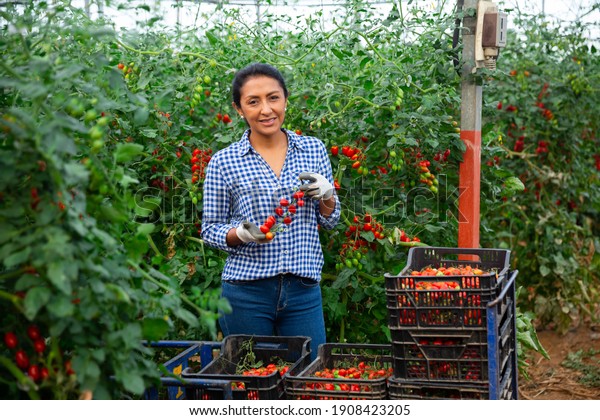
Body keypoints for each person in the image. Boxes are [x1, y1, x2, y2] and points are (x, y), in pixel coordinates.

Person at [201, 63, 340, 359]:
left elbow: (330, 220)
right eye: (253, 101)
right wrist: (240, 234)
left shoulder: (313, 150)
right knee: (251, 379)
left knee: (309, 375)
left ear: (286, 100)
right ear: (239, 109)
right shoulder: (223, 162)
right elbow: (210, 228)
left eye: (273, 98)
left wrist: (327, 194)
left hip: (302, 291)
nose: (266, 109)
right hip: (246, 292)